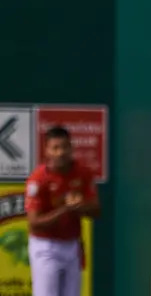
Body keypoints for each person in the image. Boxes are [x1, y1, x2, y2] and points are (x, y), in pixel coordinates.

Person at [24, 126, 100, 296]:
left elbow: (97, 211)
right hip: (45, 247)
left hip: (72, 245)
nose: (60, 153)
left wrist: (81, 206)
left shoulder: (83, 173)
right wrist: (66, 209)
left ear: (71, 147)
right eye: (55, 148)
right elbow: (35, 223)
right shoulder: (38, 179)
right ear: (47, 151)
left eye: (65, 147)